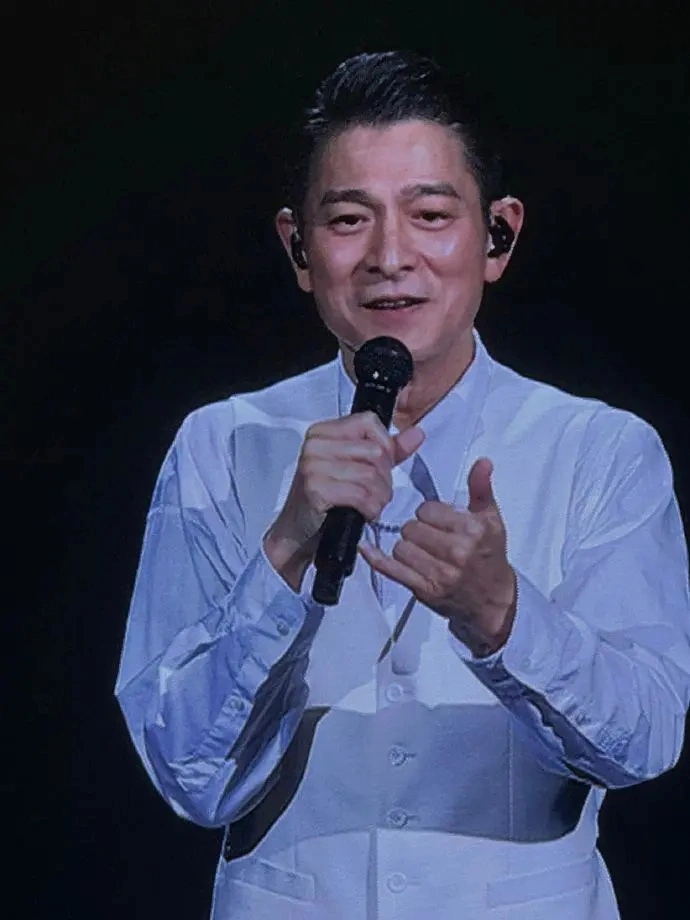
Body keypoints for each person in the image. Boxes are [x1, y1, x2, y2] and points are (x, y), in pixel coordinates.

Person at [115, 51, 690, 919]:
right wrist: (285, 550)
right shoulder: (220, 444)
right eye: (349, 220)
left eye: (430, 215)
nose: (390, 257)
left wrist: (504, 615)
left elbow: (645, 741)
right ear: (298, 247)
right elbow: (188, 776)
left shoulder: (601, 450)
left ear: (497, 236)